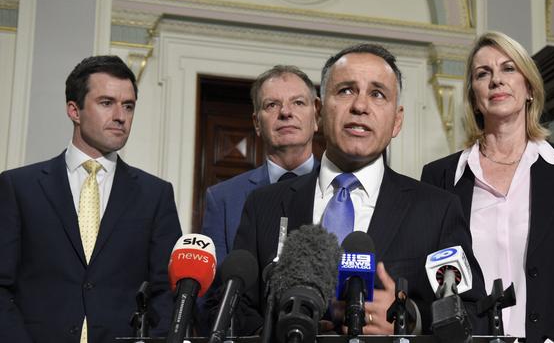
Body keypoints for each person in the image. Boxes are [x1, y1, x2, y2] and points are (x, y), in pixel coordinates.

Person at [230, 43, 486, 335]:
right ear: (319, 110)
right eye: (346, 90)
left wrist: (410, 318)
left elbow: (473, 312)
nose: (360, 106)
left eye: (377, 94)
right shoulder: (265, 204)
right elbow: (232, 309)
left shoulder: (437, 209)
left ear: (397, 121)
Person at [421, 31, 554, 342]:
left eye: (508, 68)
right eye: (482, 74)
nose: (496, 80)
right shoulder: (441, 177)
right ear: (474, 97)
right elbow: (431, 283)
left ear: (529, 87)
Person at [0, 56, 183, 343]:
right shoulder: (19, 187)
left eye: (129, 106)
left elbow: (167, 291)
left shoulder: (155, 194)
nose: (121, 116)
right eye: (107, 102)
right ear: (74, 110)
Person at [201, 65, 320, 265]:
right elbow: (215, 290)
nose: (286, 112)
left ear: (316, 116)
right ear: (257, 123)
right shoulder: (223, 199)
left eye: (298, 102)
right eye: (272, 105)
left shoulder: (342, 188)